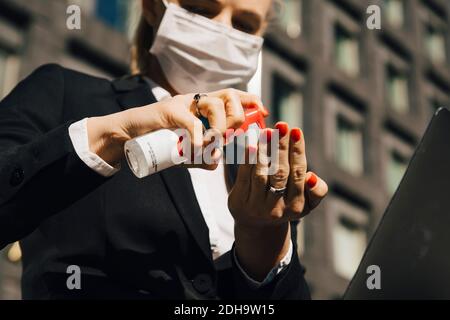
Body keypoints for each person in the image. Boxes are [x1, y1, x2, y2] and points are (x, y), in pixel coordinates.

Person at [0, 0, 328, 299]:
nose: (222, 31)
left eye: (244, 24)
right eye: (200, 9)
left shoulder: (254, 162)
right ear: (153, 8)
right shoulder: (65, 94)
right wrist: (115, 134)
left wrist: (263, 236)